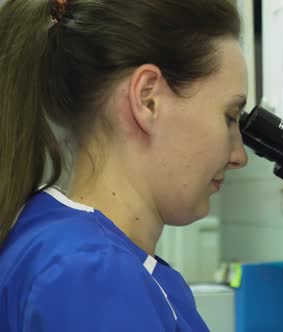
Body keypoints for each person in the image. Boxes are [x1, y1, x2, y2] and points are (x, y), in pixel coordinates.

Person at [0, 0, 248, 330]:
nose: (239, 156)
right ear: (148, 99)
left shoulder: (49, 235)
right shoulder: (92, 278)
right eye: (229, 117)